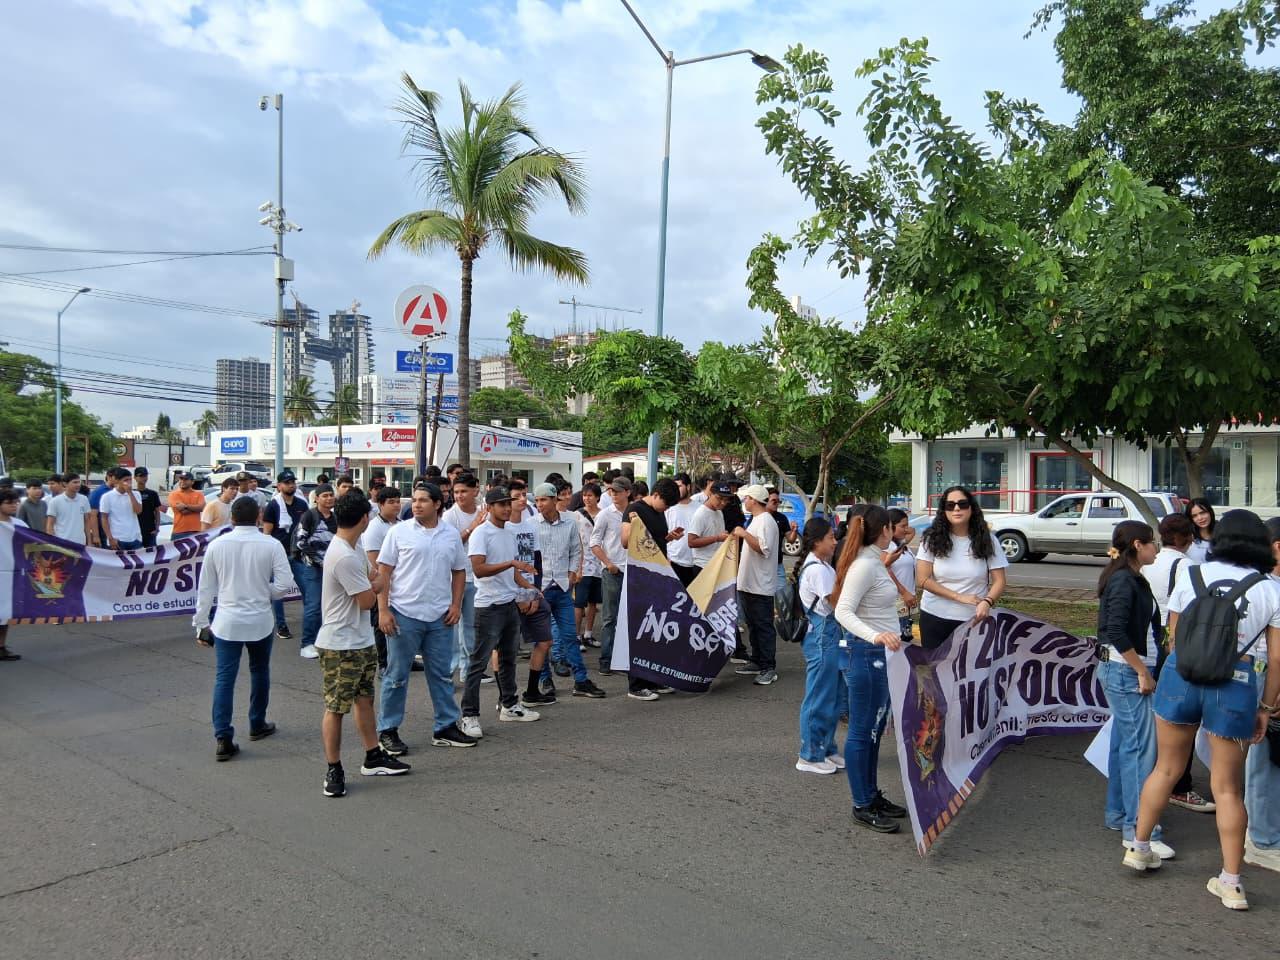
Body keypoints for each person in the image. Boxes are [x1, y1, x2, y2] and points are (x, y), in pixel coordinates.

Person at [1127, 510, 1280, 911]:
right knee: (1227, 787)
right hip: (1235, 683)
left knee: (1166, 768)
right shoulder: (1271, 590)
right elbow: (1277, 659)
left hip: (1182, 676)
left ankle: (1139, 847)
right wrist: (1266, 707)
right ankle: (1231, 882)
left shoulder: (1192, 574)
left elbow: (1174, 636)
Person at [317, 490, 411, 797]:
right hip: (340, 643)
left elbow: (375, 577)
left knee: (364, 699)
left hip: (360, 640)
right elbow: (368, 599)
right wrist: (377, 584)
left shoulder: (353, 546)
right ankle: (334, 768)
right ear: (364, 519)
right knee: (336, 708)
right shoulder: (343, 555)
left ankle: (373, 755)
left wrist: (376, 582)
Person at [193, 496, 297, 761]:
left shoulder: (217, 545)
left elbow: (205, 588)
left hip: (227, 621)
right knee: (259, 670)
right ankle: (257, 722)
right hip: (259, 619)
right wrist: (264, 592)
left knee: (224, 678)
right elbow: (284, 584)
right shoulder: (271, 544)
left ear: (232, 517)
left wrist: (201, 623)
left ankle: (223, 736)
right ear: (259, 516)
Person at [375, 483, 476, 755]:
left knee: (442, 675)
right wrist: (383, 610)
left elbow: (459, 571)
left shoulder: (450, 534)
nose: (416, 505)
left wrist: (455, 604)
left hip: (440, 616)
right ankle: (388, 730)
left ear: (437, 504)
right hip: (403, 614)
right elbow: (384, 572)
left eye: (423, 500)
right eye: (415, 499)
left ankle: (445, 727)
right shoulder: (398, 532)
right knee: (396, 676)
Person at [1096, 520, 1172, 858]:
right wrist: (1142, 671)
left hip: (1125, 670)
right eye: (1152, 542)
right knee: (1140, 749)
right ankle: (1141, 829)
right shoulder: (1124, 580)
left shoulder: (1129, 577)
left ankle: (1120, 815)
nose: (1157, 548)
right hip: (1126, 672)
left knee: (1126, 745)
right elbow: (1115, 630)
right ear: (1138, 545)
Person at [832, 504, 907, 833]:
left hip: (880, 656)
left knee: (875, 729)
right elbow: (842, 611)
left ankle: (872, 795)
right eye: (893, 526)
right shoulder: (864, 565)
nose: (898, 531)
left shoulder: (874, 560)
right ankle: (862, 803)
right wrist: (876, 635)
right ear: (884, 530)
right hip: (865, 654)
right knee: (863, 731)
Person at [1140, 513, 1213, 814]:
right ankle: (1179, 786)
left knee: (1156, 718)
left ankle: (1152, 778)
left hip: (1146, 638)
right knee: (1181, 720)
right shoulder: (1188, 567)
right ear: (1187, 537)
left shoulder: (1149, 561)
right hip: (1173, 641)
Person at [460, 486, 542, 737]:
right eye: (502, 504)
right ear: (489, 507)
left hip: (509, 603)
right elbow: (479, 569)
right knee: (479, 662)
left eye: (509, 503)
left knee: (508, 658)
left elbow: (513, 571)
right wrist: (511, 563)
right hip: (488, 606)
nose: (507, 508)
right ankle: (469, 716)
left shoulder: (508, 533)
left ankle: (509, 705)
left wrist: (529, 587)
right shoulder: (481, 533)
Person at [533, 482, 606, 699]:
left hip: (563, 587)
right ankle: (545, 679)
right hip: (541, 589)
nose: (539, 504)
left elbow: (576, 549)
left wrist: (573, 572)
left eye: (543, 499)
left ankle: (581, 681)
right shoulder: (531, 524)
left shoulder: (570, 523)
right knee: (542, 640)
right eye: (536, 500)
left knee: (570, 637)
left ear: (554, 499)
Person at [915, 486, 1007, 649]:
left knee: (970, 665)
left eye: (962, 504)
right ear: (943, 510)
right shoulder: (931, 539)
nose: (956, 509)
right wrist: (959, 597)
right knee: (935, 664)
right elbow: (922, 580)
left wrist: (987, 602)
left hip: (973, 619)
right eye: (950, 505)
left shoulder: (988, 540)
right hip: (935, 617)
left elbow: (999, 581)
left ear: (971, 507)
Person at [617, 478, 685, 700]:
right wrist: (636, 525)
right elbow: (625, 542)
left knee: (656, 630)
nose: (667, 508)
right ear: (655, 495)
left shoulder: (658, 512)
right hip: (641, 579)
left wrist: (669, 538)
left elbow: (654, 540)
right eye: (666, 504)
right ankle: (636, 684)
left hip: (659, 576)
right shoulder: (635, 509)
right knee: (640, 630)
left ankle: (653, 678)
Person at [1245, 518, 1280, 873]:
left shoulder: (1258, 583)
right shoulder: (1267, 587)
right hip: (1265, 676)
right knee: (1264, 758)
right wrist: (1272, 697)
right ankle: (1262, 839)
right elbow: (1272, 654)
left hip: (1262, 675)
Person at [795, 517, 843, 775]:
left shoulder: (822, 566)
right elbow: (836, 603)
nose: (835, 542)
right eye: (830, 538)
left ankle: (826, 748)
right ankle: (810, 755)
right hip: (822, 637)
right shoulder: (818, 570)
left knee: (831, 696)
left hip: (827, 635)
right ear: (816, 542)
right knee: (819, 696)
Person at [733, 483, 780, 685]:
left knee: (763, 626)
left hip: (761, 585)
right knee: (753, 625)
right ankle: (757, 660)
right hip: (749, 583)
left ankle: (768, 667)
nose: (745, 501)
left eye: (747, 498)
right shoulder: (756, 520)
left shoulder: (766, 521)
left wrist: (744, 534)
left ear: (754, 500)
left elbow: (763, 549)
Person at [441, 473, 485, 681]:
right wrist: (472, 527)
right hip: (456, 578)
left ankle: (469, 670)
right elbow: (450, 544)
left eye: (463, 491)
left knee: (471, 626)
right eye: (456, 492)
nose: (459, 496)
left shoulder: (484, 511)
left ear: (475, 490)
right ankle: (449, 670)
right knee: (452, 625)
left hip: (478, 578)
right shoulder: (450, 516)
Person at [590, 477, 631, 677]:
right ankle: (606, 660)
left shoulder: (634, 513)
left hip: (632, 571)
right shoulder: (605, 514)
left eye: (618, 491)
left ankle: (623, 660)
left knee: (628, 618)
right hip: (612, 571)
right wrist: (608, 564)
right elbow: (594, 542)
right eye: (612, 491)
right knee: (609, 618)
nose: (613, 494)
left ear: (627, 492)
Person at [292, 483, 338, 659]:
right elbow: (300, 542)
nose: (329, 498)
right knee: (313, 606)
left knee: (331, 607)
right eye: (325, 495)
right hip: (313, 568)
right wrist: (320, 561)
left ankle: (323, 641)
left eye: (331, 495)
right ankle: (307, 643)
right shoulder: (309, 516)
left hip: (333, 569)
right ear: (316, 498)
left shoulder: (336, 517)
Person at [261, 471, 308, 642]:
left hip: (298, 555)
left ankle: (311, 624)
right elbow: (267, 534)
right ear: (279, 486)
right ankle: (281, 625)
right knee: (278, 593)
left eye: (293, 482)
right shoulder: (273, 506)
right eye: (287, 483)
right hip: (278, 556)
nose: (291, 485)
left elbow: (307, 528)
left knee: (308, 590)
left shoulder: (302, 504)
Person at [361, 485, 402, 672]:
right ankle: (384, 663)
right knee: (381, 623)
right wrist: (383, 582)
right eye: (391, 502)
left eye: (398, 501)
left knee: (399, 623)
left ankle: (403, 660)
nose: (396, 505)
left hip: (400, 584)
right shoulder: (374, 528)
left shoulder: (401, 524)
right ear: (380, 504)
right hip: (383, 583)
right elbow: (374, 562)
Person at [574, 482, 603, 650]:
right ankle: (576, 636)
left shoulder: (604, 514)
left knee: (594, 602)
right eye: (584, 495)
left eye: (590, 495)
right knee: (579, 603)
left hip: (599, 564)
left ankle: (588, 634)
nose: (587, 498)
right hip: (583, 565)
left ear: (597, 497)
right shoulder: (577, 515)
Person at [0, 490, 26, 660]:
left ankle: (1, 646)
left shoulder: (19, 524)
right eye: (9, 502)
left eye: (16, 502)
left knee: (5, 613)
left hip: (12, 575)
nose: (14, 505)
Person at [665, 473, 701, 587]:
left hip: (695, 563)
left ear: (688, 487)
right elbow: (663, 534)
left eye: (679, 486)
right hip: (673, 561)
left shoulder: (700, 508)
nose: (676, 490)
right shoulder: (668, 508)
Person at [100, 469, 144, 551]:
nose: (129, 482)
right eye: (125, 480)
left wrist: (130, 493)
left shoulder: (136, 494)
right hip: (117, 538)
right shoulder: (107, 497)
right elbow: (104, 518)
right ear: (117, 481)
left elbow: (138, 511)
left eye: (130, 480)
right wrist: (110, 538)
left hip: (135, 538)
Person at [45, 473, 93, 545]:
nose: (78, 485)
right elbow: (50, 525)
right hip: (61, 543)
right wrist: (53, 543)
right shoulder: (55, 501)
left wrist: (89, 542)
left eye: (79, 482)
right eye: (75, 482)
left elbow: (87, 522)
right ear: (65, 484)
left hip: (80, 543)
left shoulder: (84, 499)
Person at [168, 471, 205, 540]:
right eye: (181, 479)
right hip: (179, 532)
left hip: (196, 531)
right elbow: (183, 511)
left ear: (192, 482)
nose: (182, 481)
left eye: (186, 479)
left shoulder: (199, 494)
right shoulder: (174, 494)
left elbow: (202, 508)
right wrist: (196, 509)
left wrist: (185, 506)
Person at [132, 468, 162, 548]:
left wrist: (157, 528)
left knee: (151, 553)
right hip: (135, 530)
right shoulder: (131, 494)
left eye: (145, 475)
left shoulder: (153, 493)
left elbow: (157, 512)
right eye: (141, 476)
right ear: (135, 478)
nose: (144, 478)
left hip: (150, 530)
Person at [1185, 497, 1217, 563]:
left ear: (1210, 512)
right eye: (1194, 516)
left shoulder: (1222, 534)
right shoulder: (1188, 539)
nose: (1200, 518)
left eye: (1203, 513)